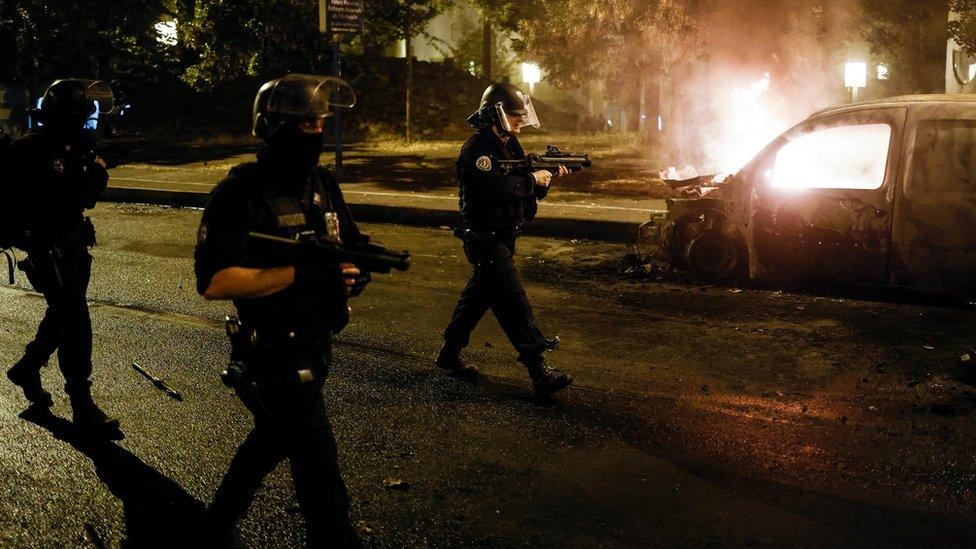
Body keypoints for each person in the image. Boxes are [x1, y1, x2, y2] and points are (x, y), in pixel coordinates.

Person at [194, 73, 365, 547]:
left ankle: (213, 524)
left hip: (317, 340)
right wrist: (297, 276)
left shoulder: (322, 183)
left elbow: (347, 243)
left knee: (272, 438)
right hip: (273, 348)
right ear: (275, 128)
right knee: (318, 462)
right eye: (307, 125)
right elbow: (213, 282)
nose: (318, 134)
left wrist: (354, 271)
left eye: (322, 123)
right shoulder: (240, 193)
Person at [436, 82, 574, 396]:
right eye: (513, 119)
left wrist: (545, 180)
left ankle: (449, 353)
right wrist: (531, 180)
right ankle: (538, 370)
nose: (518, 126)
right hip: (485, 237)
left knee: (478, 298)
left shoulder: (509, 145)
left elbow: (524, 187)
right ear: (495, 115)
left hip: (504, 233)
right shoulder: (476, 150)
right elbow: (497, 186)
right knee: (512, 300)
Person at [5, 78, 120, 436]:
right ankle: (82, 404)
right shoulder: (32, 150)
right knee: (75, 319)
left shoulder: (75, 144)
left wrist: (94, 159)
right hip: (44, 248)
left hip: (72, 244)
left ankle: (28, 365)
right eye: (79, 114)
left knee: (63, 313)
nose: (85, 122)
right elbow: (81, 194)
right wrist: (99, 167)